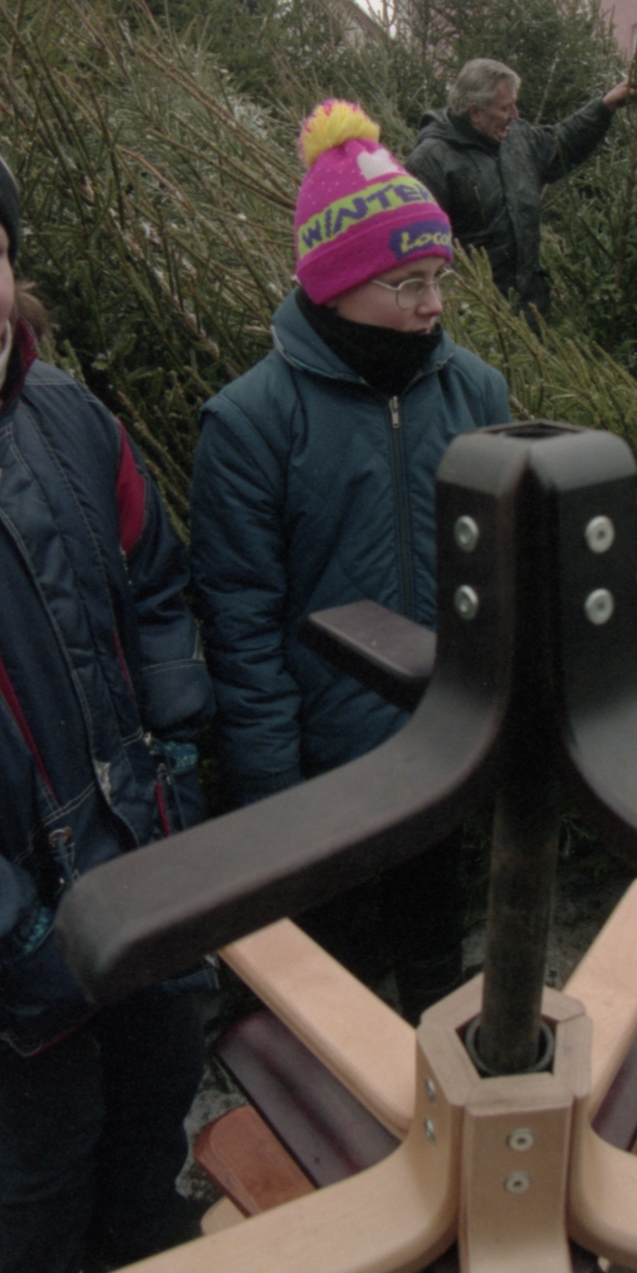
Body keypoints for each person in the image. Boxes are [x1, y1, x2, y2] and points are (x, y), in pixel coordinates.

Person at [0, 96, 213, 1273]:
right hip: (4, 943)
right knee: (47, 1147)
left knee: (158, 1093)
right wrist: (13, 933)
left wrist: (174, 773)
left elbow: (156, 586)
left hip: (146, 876)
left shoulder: (73, 422)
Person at [190, 99, 510, 1022]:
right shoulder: (251, 422)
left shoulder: (475, 390)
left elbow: (500, 577)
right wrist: (273, 792)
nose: (432, 305)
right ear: (334, 284)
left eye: (439, 278)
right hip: (320, 762)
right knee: (326, 989)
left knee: (437, 959)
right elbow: (242, 621)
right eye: (406, 283)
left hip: (443, 741)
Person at [405, 57, 637, 315]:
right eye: (505, 108)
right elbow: (419, 252)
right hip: (476, 316)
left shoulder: (517, 139)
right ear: (475, 113)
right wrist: (460, 309)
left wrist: (605, 106)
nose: (515, 115)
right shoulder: (430, 162)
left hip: (530, 309)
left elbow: (563, 142)